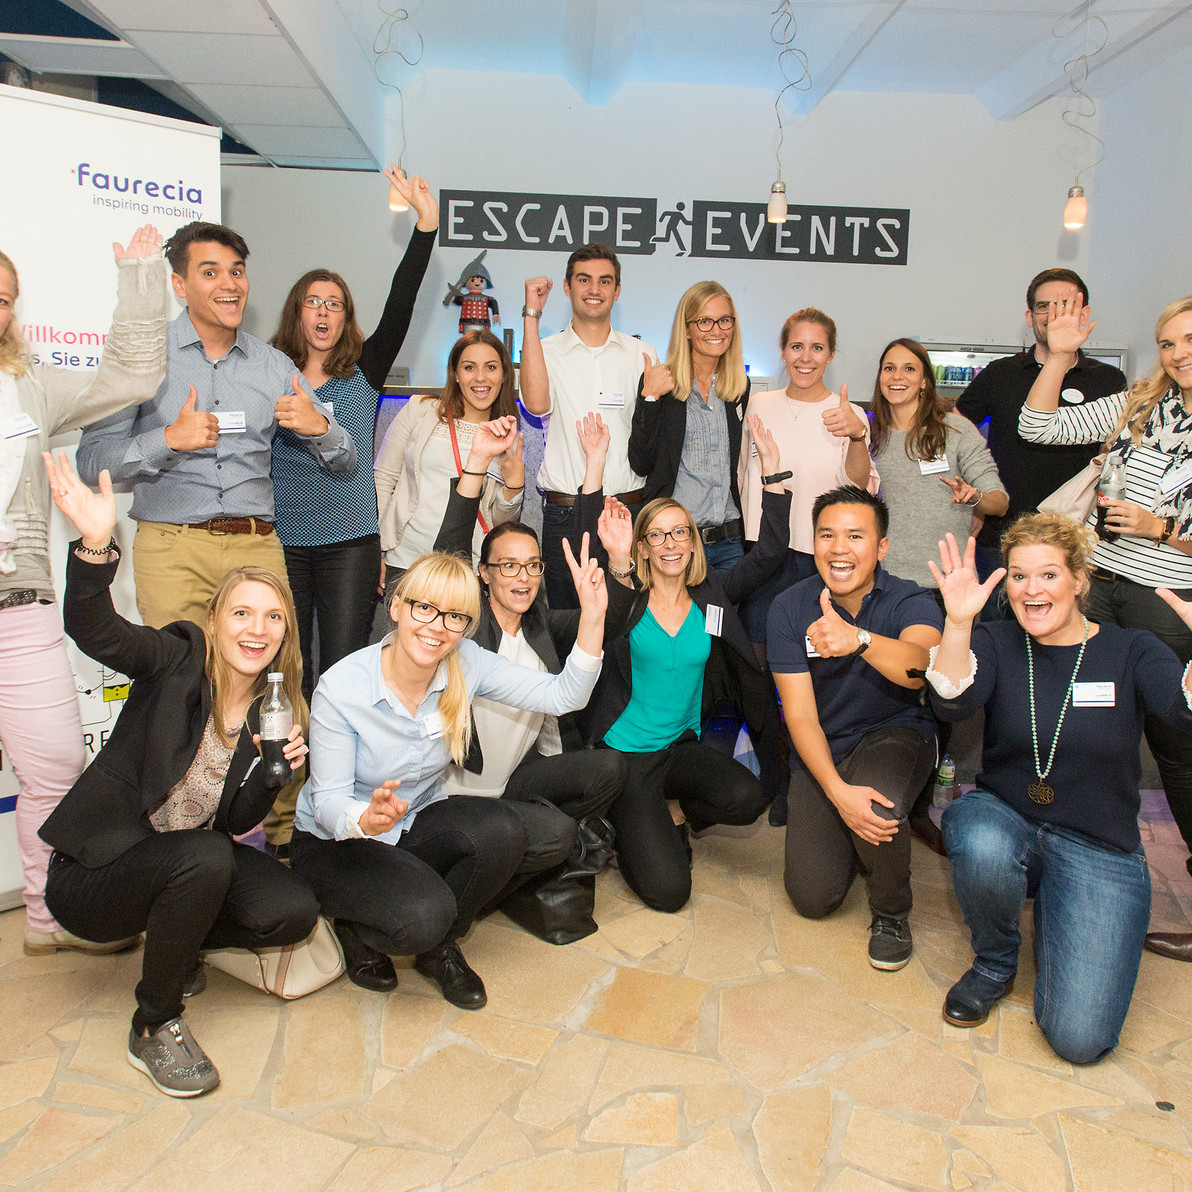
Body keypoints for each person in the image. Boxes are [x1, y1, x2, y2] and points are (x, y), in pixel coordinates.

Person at [38, 451, 318, 1097]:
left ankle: (177, 936)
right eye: (242, 613)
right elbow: (97, 630)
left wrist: (275, 776)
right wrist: (95, 545)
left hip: (178, 863)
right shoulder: (177, 660)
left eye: (273, 617)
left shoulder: (274, 709)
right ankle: (153, 1023)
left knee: (292, 909)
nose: (258, 628)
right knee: (205, 859)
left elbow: (237, 821)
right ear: (215, 621)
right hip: (94, 876)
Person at [289, 536, 608, 1008]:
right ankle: (358, 927)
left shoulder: (467, 662)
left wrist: (594, 617)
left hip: (415, 819)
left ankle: (438, 947)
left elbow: (563, 697)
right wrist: (366, 819)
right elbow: (330, 800)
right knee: (421, 917)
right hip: (336, 841)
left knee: (511, 833)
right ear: (395, 606)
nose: (437, 627)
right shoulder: (342, 687)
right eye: (424, 608)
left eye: (455, 617)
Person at [926, 520, 1192, 1061]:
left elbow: (1182, 715)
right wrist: (957, 624)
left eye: (1048, 574)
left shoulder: (1132, 649)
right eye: (1019, 576)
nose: (1032, 589)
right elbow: (951, 705)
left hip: (1099, 843)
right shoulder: (998, 642)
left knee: (1080, 1040)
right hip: (1006, 819)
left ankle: (1062, 907)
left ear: (1079, 580)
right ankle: (996, 961)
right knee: (978, 837)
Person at [1, 226, 168, 957]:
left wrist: (138, 277)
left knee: (56, 765)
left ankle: (45, 917)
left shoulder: (29, 384)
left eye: (4, 299)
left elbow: (130, 380)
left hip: (20, 606)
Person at [1019, 294, 1192, 962]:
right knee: (1080, 725)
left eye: (1188, 339)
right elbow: (1037, 425)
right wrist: (1060, 357)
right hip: (1099, 589)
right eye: (1169, 342)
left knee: (1177, 742)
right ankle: (1068, 860)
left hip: (1168, 599)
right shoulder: (1136, 404)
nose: (1178, 353)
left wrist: (1163, 529)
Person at [76, 220, 354, 629]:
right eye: (210, 272)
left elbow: (344, 459)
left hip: (257, 547)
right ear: (179, 284)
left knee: (267, 680)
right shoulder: (140, 356)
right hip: (173, 549)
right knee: (179, 677)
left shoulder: (274, 366)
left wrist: (320, 428)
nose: (230, 284)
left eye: (236, 270)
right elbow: (92, 462)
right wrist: (166, 439)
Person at [578, 416, 790, 913]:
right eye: (657, 535)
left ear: (694, 542)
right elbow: (589, 551)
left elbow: (771, 554)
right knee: (671, 893)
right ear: (642, 546)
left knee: (749, 798)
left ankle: (666, 809)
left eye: (680, 533)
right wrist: (594, 466)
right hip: (625, 759)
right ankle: (625, 816)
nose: (670, 543)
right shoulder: (623, 598)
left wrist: (774, 473)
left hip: (679, 750)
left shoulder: (711, 595)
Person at [435, 413, 632, 924]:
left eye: (532, 565)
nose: (522, 577)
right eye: (508, 565)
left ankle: (521, 864)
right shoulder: (461, 628)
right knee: (545, 840)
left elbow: (610, 622)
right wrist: (477, 465)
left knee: (608, 769)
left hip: (515, 783)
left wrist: (619, 563)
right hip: (456, 791)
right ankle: (509, 872)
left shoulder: (542, 624)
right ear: (482, 573)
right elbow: (448, 549)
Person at [269, 169, 437, 697]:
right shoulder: (268, 369)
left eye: (334, 304)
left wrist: (425, 226)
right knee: (280, 666)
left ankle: (339, 769)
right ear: (297, 311)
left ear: (346, 317)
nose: (323, 312)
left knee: (342, 668)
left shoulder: (365, 366)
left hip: (349, 542)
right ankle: (288, 771)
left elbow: (403, 299)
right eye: (313, 302)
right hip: (280, 541)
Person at [768, 487, 943, 970]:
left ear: (881, 547)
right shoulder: (788, 607)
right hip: (824, 744)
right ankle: (849, 836)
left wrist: (859, 640)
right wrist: (834, 789)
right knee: (813, 898)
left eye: (854, 536)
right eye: (827, 535)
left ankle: (891, 913)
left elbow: (919, 664)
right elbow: (799, 715)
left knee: (876, 805)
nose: (838, 548)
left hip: (894, 733)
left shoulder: (911, 599)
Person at [868, 337, 1008, 851]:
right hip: (881, 586)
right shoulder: (871, 432)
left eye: (908, 368)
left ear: (925, 378)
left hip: (938, 587)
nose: (897, 376)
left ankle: (922, 803)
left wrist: (976, 495)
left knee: (938, 699)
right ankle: (882, 794)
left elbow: (998, 497)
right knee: (883, 692)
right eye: (888, 368)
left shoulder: (954, 430)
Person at [956, 268, 1126, 589]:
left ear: (1084, 313)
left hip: (1078, 538)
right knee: (997, 634)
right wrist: (978, 499)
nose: (1053, 315)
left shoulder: (1108, 380)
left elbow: (1118, 457)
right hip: (1003, 536)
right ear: (1029, 315)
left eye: (1065, 305)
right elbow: (954, 433)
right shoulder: (1000, 374)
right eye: (1043, 306)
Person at [519, 244, 659, 608]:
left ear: (617, 290)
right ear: (567, 287)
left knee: (628, 628)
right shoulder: (544, 349)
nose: (594, 290)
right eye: (584, 280)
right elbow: (535, 406)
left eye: (604, 281)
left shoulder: (641, 354)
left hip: (628, 512)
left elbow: (649, 435)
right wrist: (531, 315)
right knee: (567, 625)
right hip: (565, 513)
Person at [738, 308, 879, 650]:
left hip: (821, 559)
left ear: (831, 355)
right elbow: (742, 474)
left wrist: (857, 436)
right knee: (760, 653)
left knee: (819, 655)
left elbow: (859, 488)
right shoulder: (758, 404)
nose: (805, 357)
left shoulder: (849, 414)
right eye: (796, 346)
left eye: (817, 348)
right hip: (763, 554)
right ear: (783, 351)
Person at [374, 329, 523, 615]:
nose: (480, 378)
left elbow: (499, 523)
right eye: (469, 367)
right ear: (455, 374)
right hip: (407, 560)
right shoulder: (421, 409)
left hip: (467, 568)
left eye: (491, 367)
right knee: (402, 652)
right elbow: (383, 478)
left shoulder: (508, 433)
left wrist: (514, 487)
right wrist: (375, 548)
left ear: (504, 375)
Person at [628, 281, 751, 570]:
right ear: (687, 329)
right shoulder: (663, 382)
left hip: (729, 543)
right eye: (704, 321)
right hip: (677, 543)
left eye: (724, 320)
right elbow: (640, 462)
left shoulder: (738, 387)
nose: (716, 330)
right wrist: (650, 397)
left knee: (721, 618)